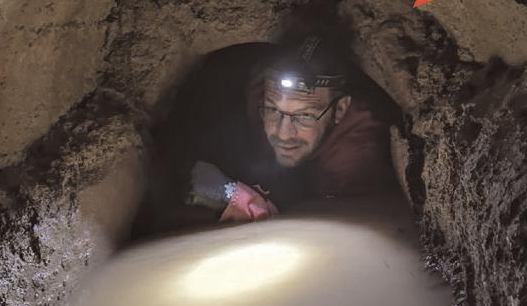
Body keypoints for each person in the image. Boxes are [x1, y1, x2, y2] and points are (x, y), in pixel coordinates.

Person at [142, 36, 394, 233]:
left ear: (339, 110)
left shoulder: (356, 153)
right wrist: (230, 192)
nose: (283, 132)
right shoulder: (256, 91)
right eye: (274, 110)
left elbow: (342, 230)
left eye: (304, 116)